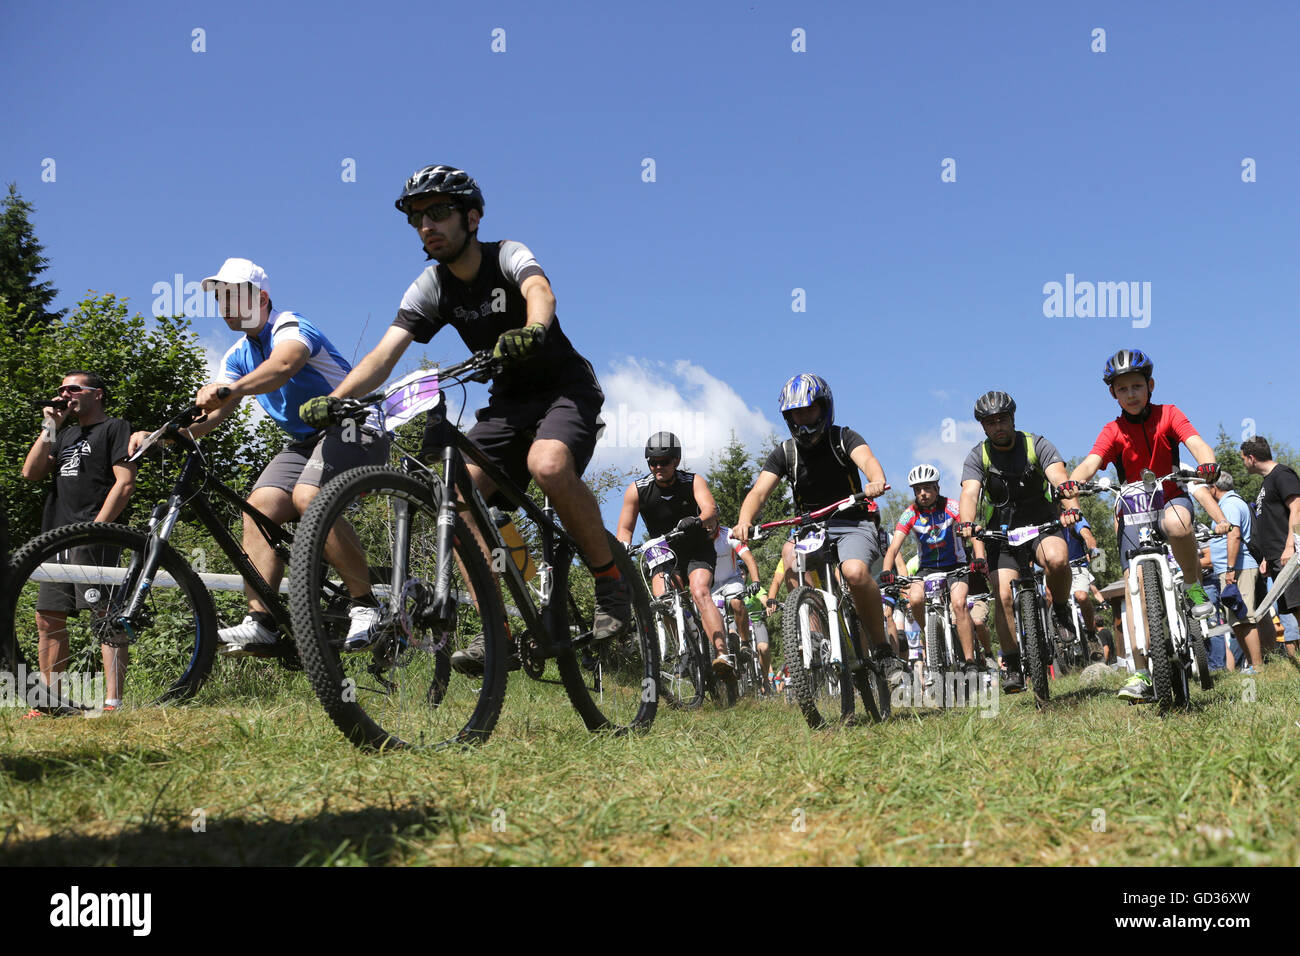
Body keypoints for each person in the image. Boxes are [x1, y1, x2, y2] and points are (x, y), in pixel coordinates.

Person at [300, 165, 629, 670]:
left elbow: (541, 292)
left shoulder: (506, 255)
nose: (426, 226)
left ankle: (610, 584)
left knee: (547, 464)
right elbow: (384, 356)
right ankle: (495, 629)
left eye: (438, 213)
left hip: (565, 390)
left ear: (471, 217)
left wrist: (535, 328)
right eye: (416, 219)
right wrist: (339, 397)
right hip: (506, 405)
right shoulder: (431, 286)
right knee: (452, 493)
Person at [130, 258, 388, 656]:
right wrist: (169, 436)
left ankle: (367, 604)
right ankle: (263, 621)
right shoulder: (237, 354)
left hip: (355, 424)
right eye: (219, 298)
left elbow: (284, 365)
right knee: (258, 507)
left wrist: (229, 390)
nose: (224, 306)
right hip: (307, 441)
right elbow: (216, 411)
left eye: (232, 296)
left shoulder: (290, 325)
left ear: (261, 297)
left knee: (307, 495)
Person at [1060, 350, 1229, 702]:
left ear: (1150, 385)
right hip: (1131, 510)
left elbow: (1197, 443)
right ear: (1114, 395)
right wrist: (1070, 485)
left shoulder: (1169, 414)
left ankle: (1194, 587)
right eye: (1123, 389)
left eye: (1137, 386)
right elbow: (1090, 464)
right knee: (1134, 588)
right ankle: (1139, 670)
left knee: (1179, 525)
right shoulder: (1113, 430)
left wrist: (1207, 462)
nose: (1131, 394)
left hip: (1169, 496)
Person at [736, 374, 897, 674]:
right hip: (810, 529)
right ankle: (815, 627)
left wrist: (876, 480)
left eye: (809, 410)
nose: (803, 418)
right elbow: (759, 491)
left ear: (824, 408)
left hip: (852, 521)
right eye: (796, 413)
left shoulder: (844, 437)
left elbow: (868, 459)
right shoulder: (785, 453)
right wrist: (744, 520)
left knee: (854, 572)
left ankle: (882, 647)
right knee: (789, 557)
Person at [21, 371, 137, 715]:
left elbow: (125, 483)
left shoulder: (115, 427)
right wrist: (50, 427)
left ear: (96, 394)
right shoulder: (64, 433)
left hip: (94, 534)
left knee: (105, 616)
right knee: (48, 617)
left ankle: (112, 702)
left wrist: (98, 529)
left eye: (72, 388)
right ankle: (50, 703)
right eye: (60, 389)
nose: (64, 394)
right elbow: (31, 472)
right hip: (55, 536)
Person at [957, 390, 1073, 694]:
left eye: (1003, 419)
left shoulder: (1036, 444)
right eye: (990, 422)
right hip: (1002, 531)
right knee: (1003, 594)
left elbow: (1060, 477)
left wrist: (1071, 506)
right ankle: (1011, 662)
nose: (998, 426)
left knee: (1058, 559)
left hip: (1041, 522)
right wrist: (967, 523)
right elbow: (970, 492)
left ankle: (1060, 608)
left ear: (1012, 418)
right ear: (983, 426)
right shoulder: (977, 455)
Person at [615, 432, 731, 675]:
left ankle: (722, 655)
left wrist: (697, 520)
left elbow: (710, 509)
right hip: (661, 549)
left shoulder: (692, 481)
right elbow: (625, 529)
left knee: (700, 592)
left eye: (664, 461)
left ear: (676, 461)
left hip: (696, 546)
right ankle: (683, 650)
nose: (658, 467)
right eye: (653, 462)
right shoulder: (637, 490)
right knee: (663, 599)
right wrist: (623, 548)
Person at [879, 463, 979, 670]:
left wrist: (979, 558)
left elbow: (972, 531)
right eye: (917, 490)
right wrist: (887, 571)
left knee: (959, 604)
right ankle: (932, 635)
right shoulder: (909, 514)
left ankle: (970, 661)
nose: (922, 494)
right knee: (914, 599)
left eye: (927, 488)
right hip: (926, 568)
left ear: (937, 488)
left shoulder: (952, 507)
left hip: (955, 565)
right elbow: (893, 547)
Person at [1199, 472, 1268, 669]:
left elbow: (1234, 535)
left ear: (1214, 487)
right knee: (1236, 620)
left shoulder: (1229, 505)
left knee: (1245, 618)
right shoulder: (1228, 504)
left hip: (1238, 567)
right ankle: (1251, 666)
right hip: (1230, 568)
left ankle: (1258, 667)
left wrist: (1230, 569)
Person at [1240, 436, 1300, 644]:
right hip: (1276, 558)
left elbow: (1297, 508)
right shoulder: (1267, 482)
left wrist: (1291, 545)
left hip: (1290, 555)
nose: (1243, 464)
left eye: (1243, 459)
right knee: (1293, 609)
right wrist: (1266, 557)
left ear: (1252, 458)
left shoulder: (1282, 474)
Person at [707, 521, 765, 675]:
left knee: (737, 602)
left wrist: (756, 580)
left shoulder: (729, 534)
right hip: (712, 586)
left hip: (732, 579)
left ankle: (745, 643)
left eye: (710, 522)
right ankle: (719, 653)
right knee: (712, 615)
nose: (707, 526)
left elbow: (748, 558)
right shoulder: (699, 539)